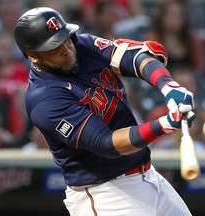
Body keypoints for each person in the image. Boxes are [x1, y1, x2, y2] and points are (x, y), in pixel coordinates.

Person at [14, 7, 195, 216]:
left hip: (148, 175)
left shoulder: (81, 44)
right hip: (106, 193)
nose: (66, 48)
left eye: (65, 38)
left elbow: (134, 56)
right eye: (53, 47)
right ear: (33, 56)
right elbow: (106, 143)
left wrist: (167, 85)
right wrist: (162, 125)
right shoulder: (44, 99)